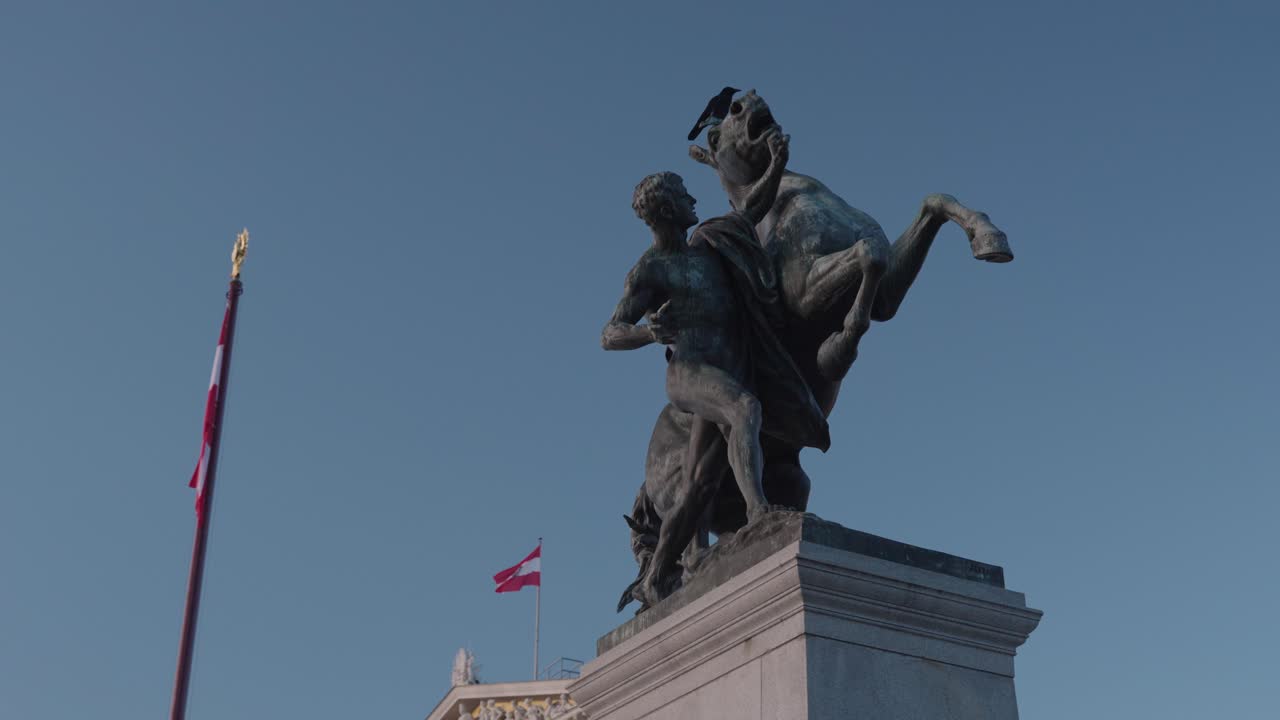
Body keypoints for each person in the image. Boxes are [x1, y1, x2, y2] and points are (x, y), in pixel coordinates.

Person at [603, 130, 829, 605]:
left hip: (730, 365)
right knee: (745, 408)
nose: (693, 201)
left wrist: (775, 166)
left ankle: (658, 571)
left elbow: (751, 208)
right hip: (690, 372)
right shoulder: (651, 269)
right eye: (685, 196)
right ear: (667, 209)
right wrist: (648, 333)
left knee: (700, 484)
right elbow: (610, 332)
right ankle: (760, 511)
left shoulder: (710, 247)